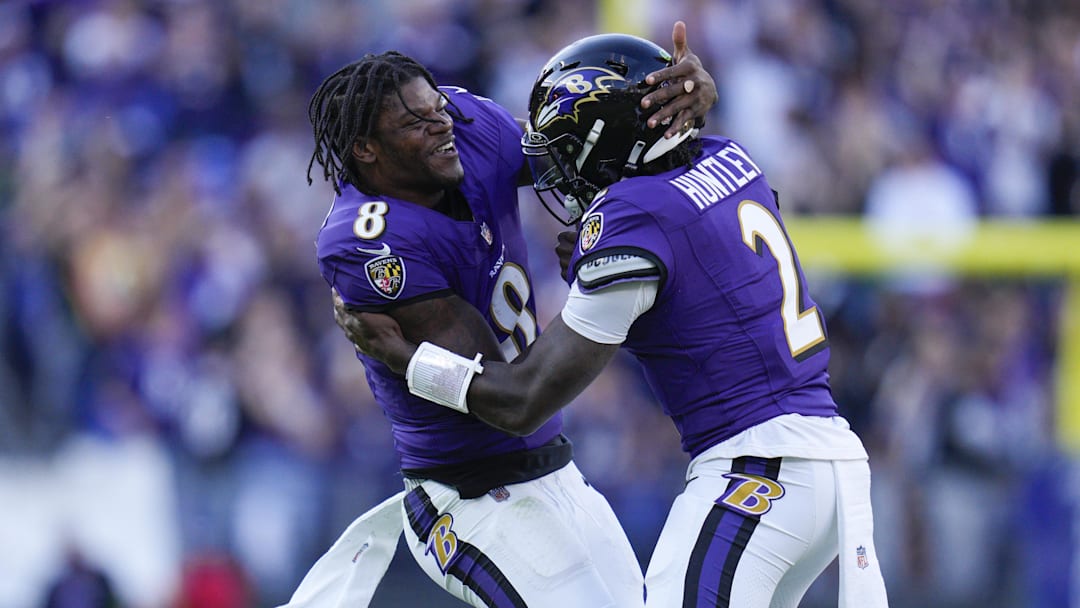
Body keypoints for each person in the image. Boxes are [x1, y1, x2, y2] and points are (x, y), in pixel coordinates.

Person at [334, 33, 890, 608]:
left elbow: (522, 401)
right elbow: (698, 260)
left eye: (569, 149)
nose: (560, 171)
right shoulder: (729, 156)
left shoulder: (630, 218)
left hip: (759, 470)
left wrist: (399, 356)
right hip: (831, 461)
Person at [291, 22, 718, 608]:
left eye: (435, 106)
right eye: (414, 124)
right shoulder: (370, 239)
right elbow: (506, 400)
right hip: (468, 498)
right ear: (366, 150)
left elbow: (579, 154)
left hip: (554, 469)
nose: (440, 122)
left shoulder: (463, 126)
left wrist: (677, 111)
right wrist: (403, 357)